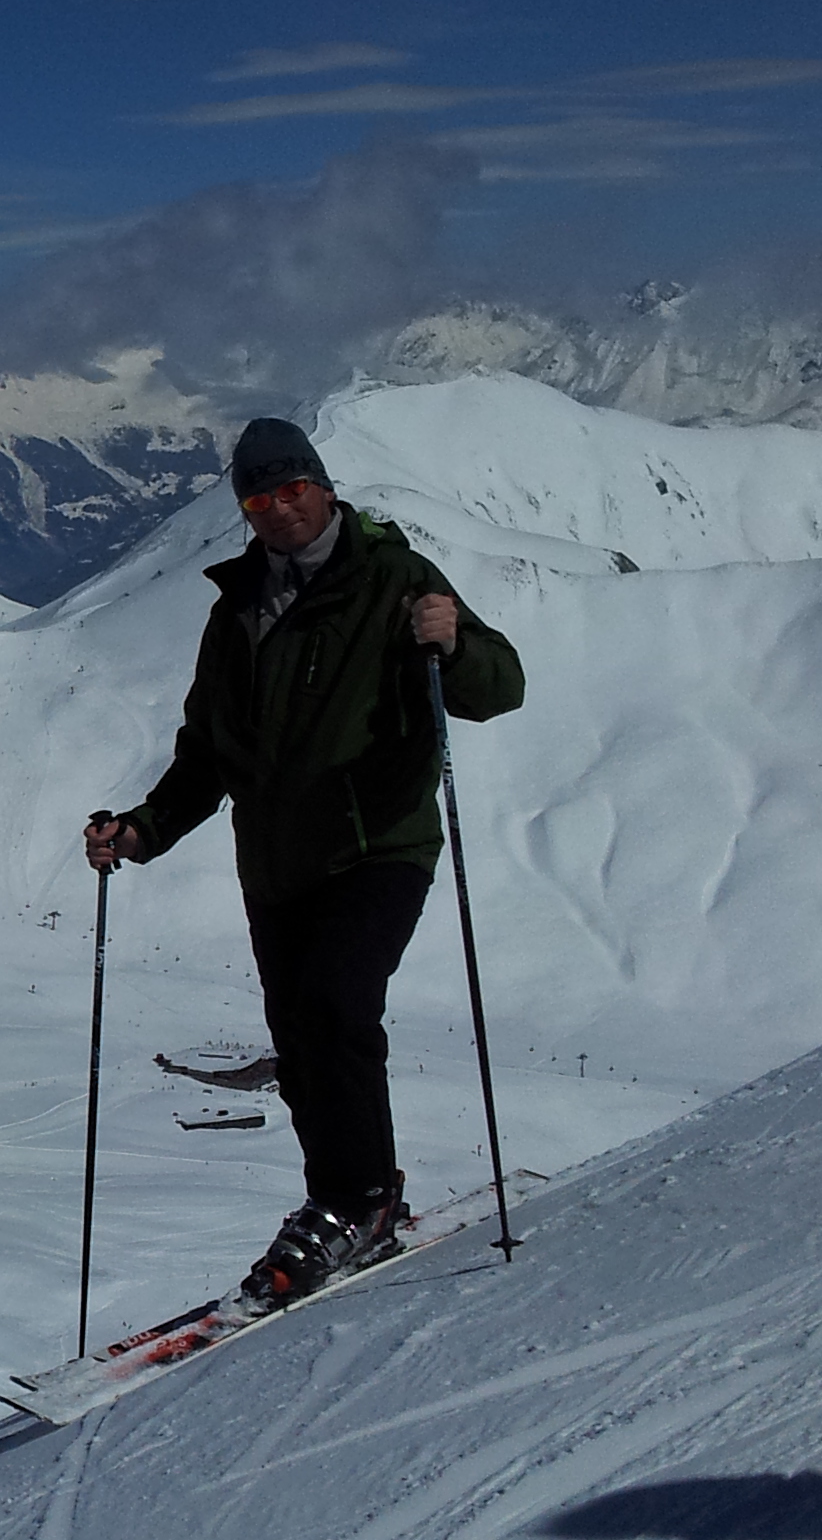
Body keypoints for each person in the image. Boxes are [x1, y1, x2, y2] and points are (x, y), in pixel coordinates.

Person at [83, 416, 523, 1311]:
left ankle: (356, 1200)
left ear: (322, 487)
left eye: (292, 489)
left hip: (377, 845)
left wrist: (456, 642)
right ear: (244, 510)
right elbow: (209, 752)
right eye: (259, 496)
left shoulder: (395, 580)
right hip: (278, 866)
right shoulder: (236, 610)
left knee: (336, 1004)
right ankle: (349, 1198)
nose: (279, 509)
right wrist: (141, 830)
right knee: (303, 1037)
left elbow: (497, 688)